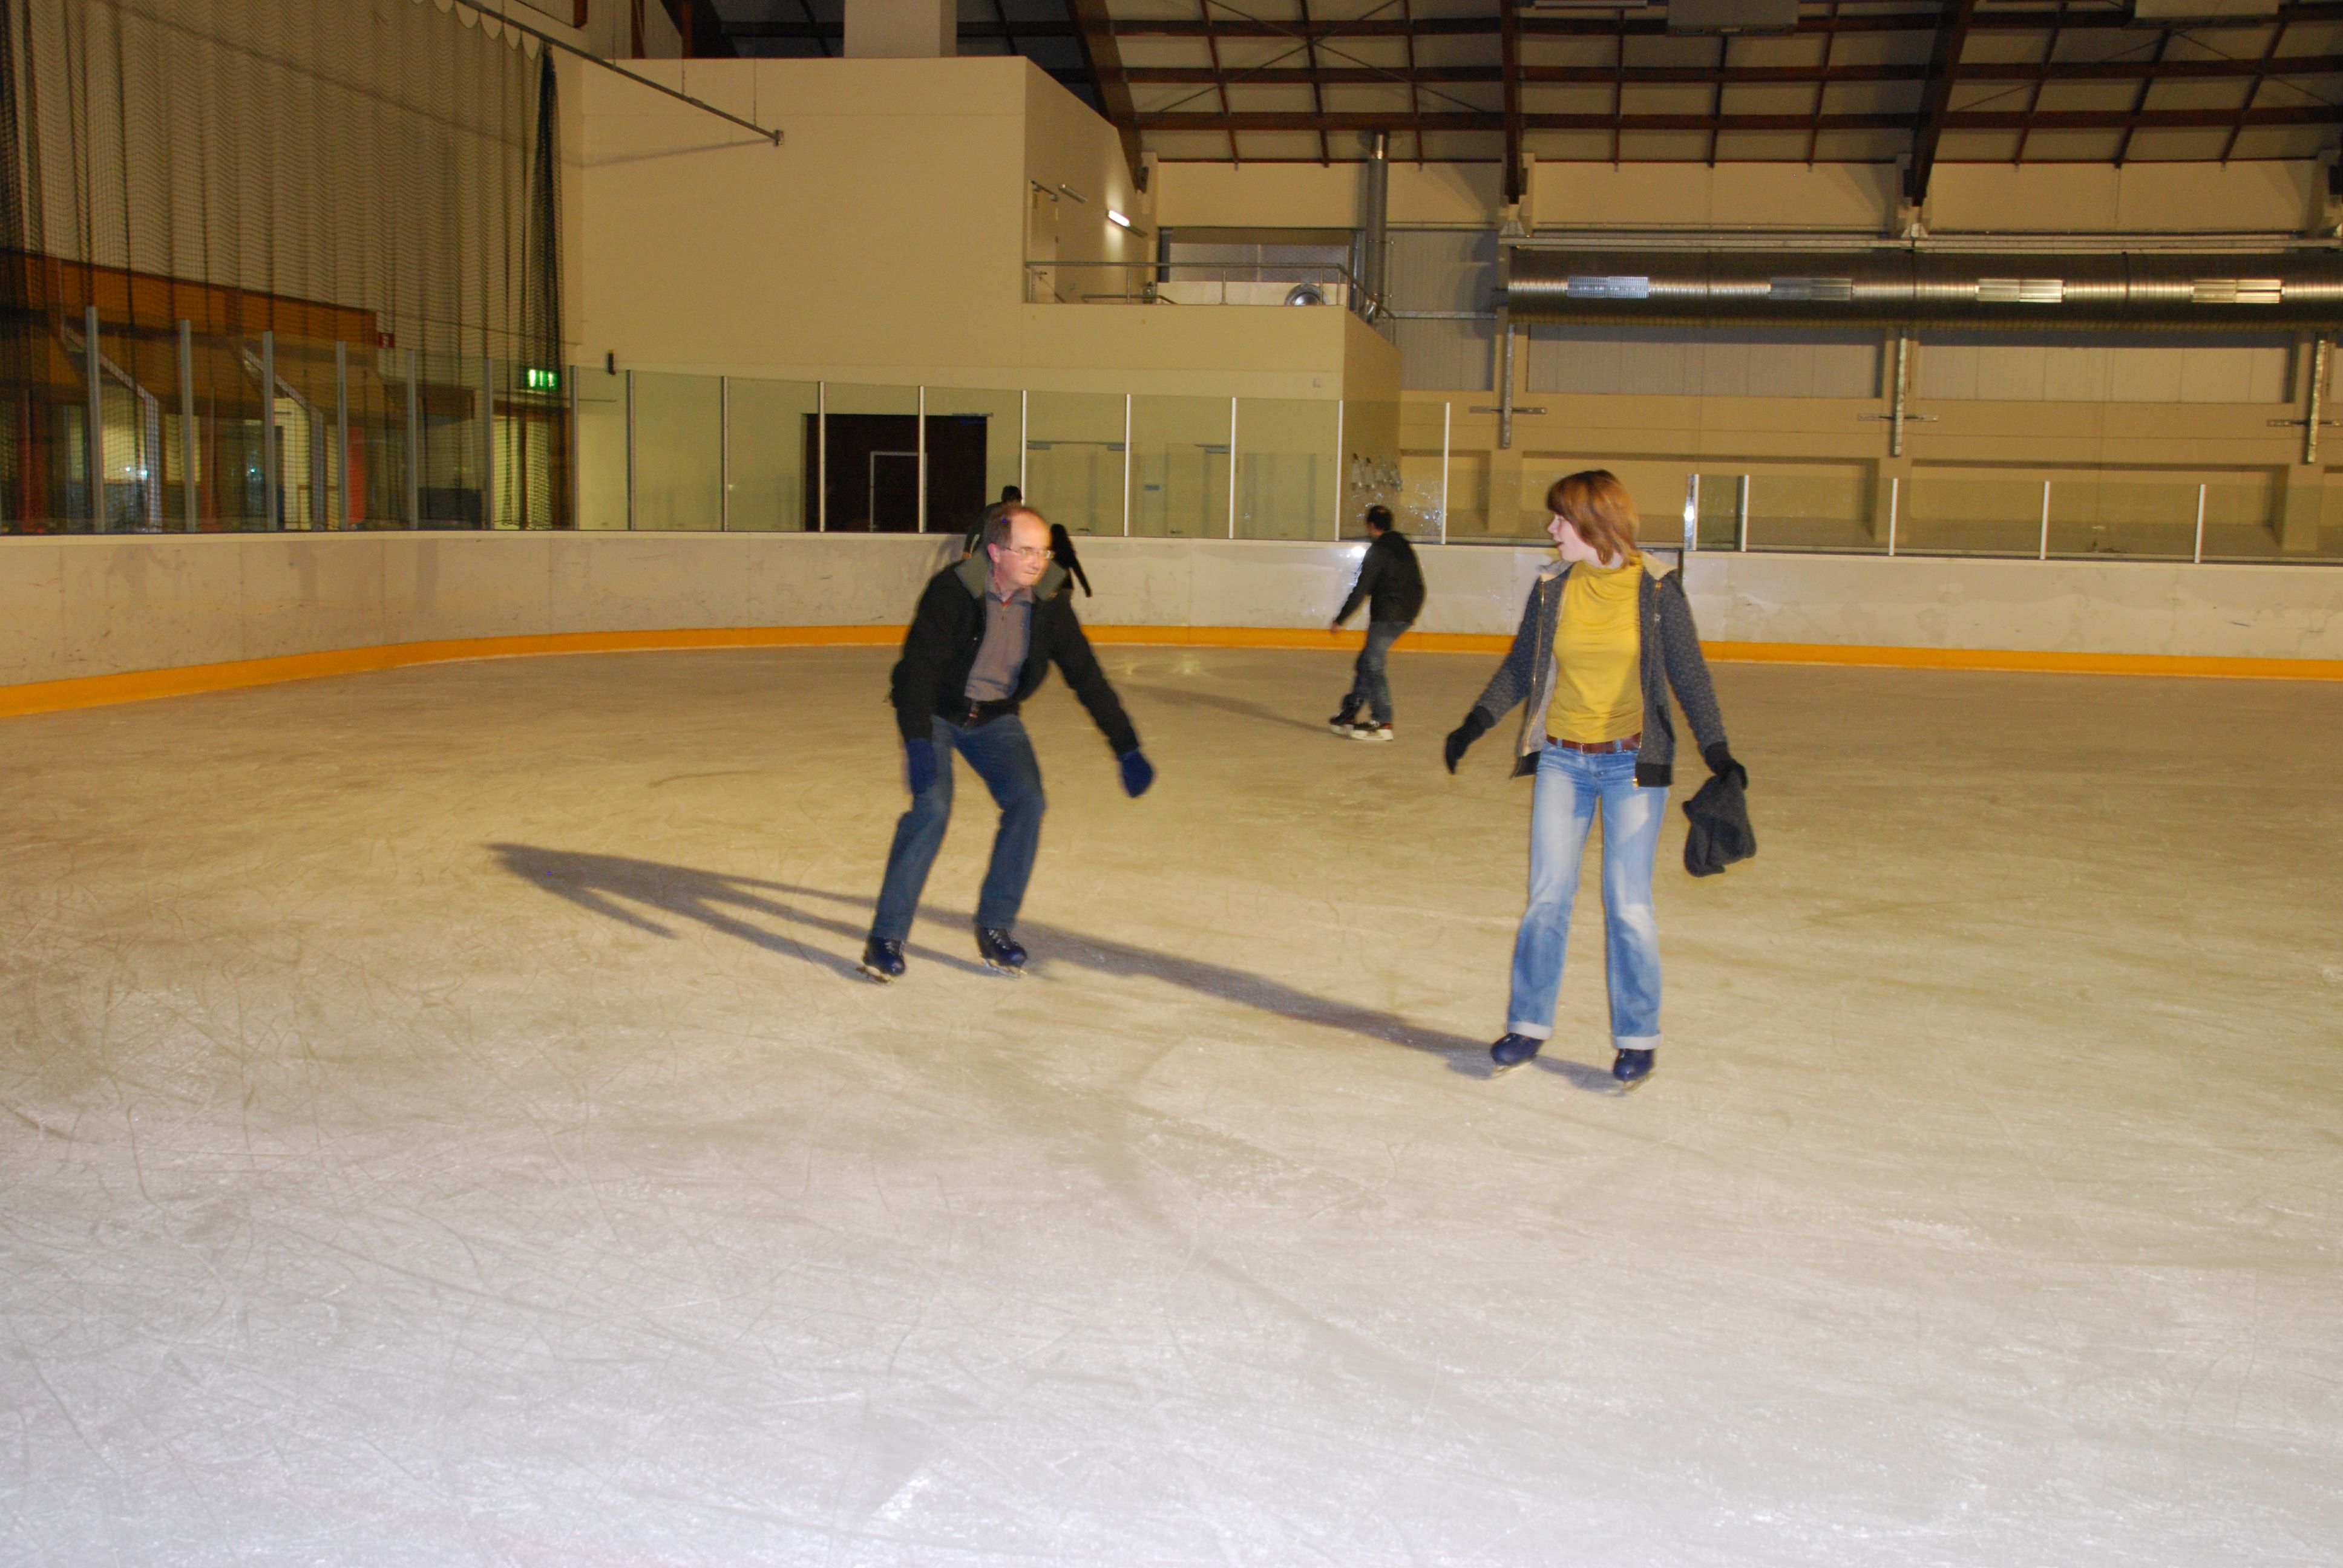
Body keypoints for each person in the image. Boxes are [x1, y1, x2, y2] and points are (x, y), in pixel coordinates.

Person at [1441, 470, 1743, 1091]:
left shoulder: (1657, 589)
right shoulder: (1553, 588)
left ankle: (1637, 1039)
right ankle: (1527, 1024)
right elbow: (1521, 665)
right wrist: (1474, 723)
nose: (1551, 530)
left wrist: (1718, 752)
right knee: (1546, 898)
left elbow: (1689, 675)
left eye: (1560, 519)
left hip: (1633, 765)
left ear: (1592, 522)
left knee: (1628, 905)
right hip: (1561, 760)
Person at [863, 505, 1155, 983]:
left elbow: (1086, 675)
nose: (1039, 561)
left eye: (1044, 551)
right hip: (937, 711)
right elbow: (916, 672)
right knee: (932, 809)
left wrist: (1126, 745)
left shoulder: (1049, 601)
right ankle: (885, 937)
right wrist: (918, 742)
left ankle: (995, 926)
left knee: (1029, 801)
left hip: (995, 719)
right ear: (995, 552)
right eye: (1027, 551)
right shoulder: (954, 590)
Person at [1327, 504, 1425, 742]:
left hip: (1388, 614)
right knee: (1367, 661)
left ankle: (1383, 721)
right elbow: (1417, 581)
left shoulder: (1378, 550)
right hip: (1407, 610)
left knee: (1372, 664)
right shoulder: (1403, 545)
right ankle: (1350, 712)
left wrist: (1340, 619)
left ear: (1371, 526)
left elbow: (1361, 589)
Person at [962, 484, 1023, 559]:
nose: (1015, 506)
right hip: (984, 552)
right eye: (1013, 503)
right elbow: (974, 529)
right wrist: (967, 550)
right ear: (1006, 502)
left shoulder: (1021, 515)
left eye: (1018, 503)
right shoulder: (993, 511)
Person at [1047, 521, 1092, 601]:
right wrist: (1087, 588)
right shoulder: (1068, 551)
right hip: (1067, 586)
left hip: (1051, 586)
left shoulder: (1048, 552)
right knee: (1064, 608)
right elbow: (1078, 570)